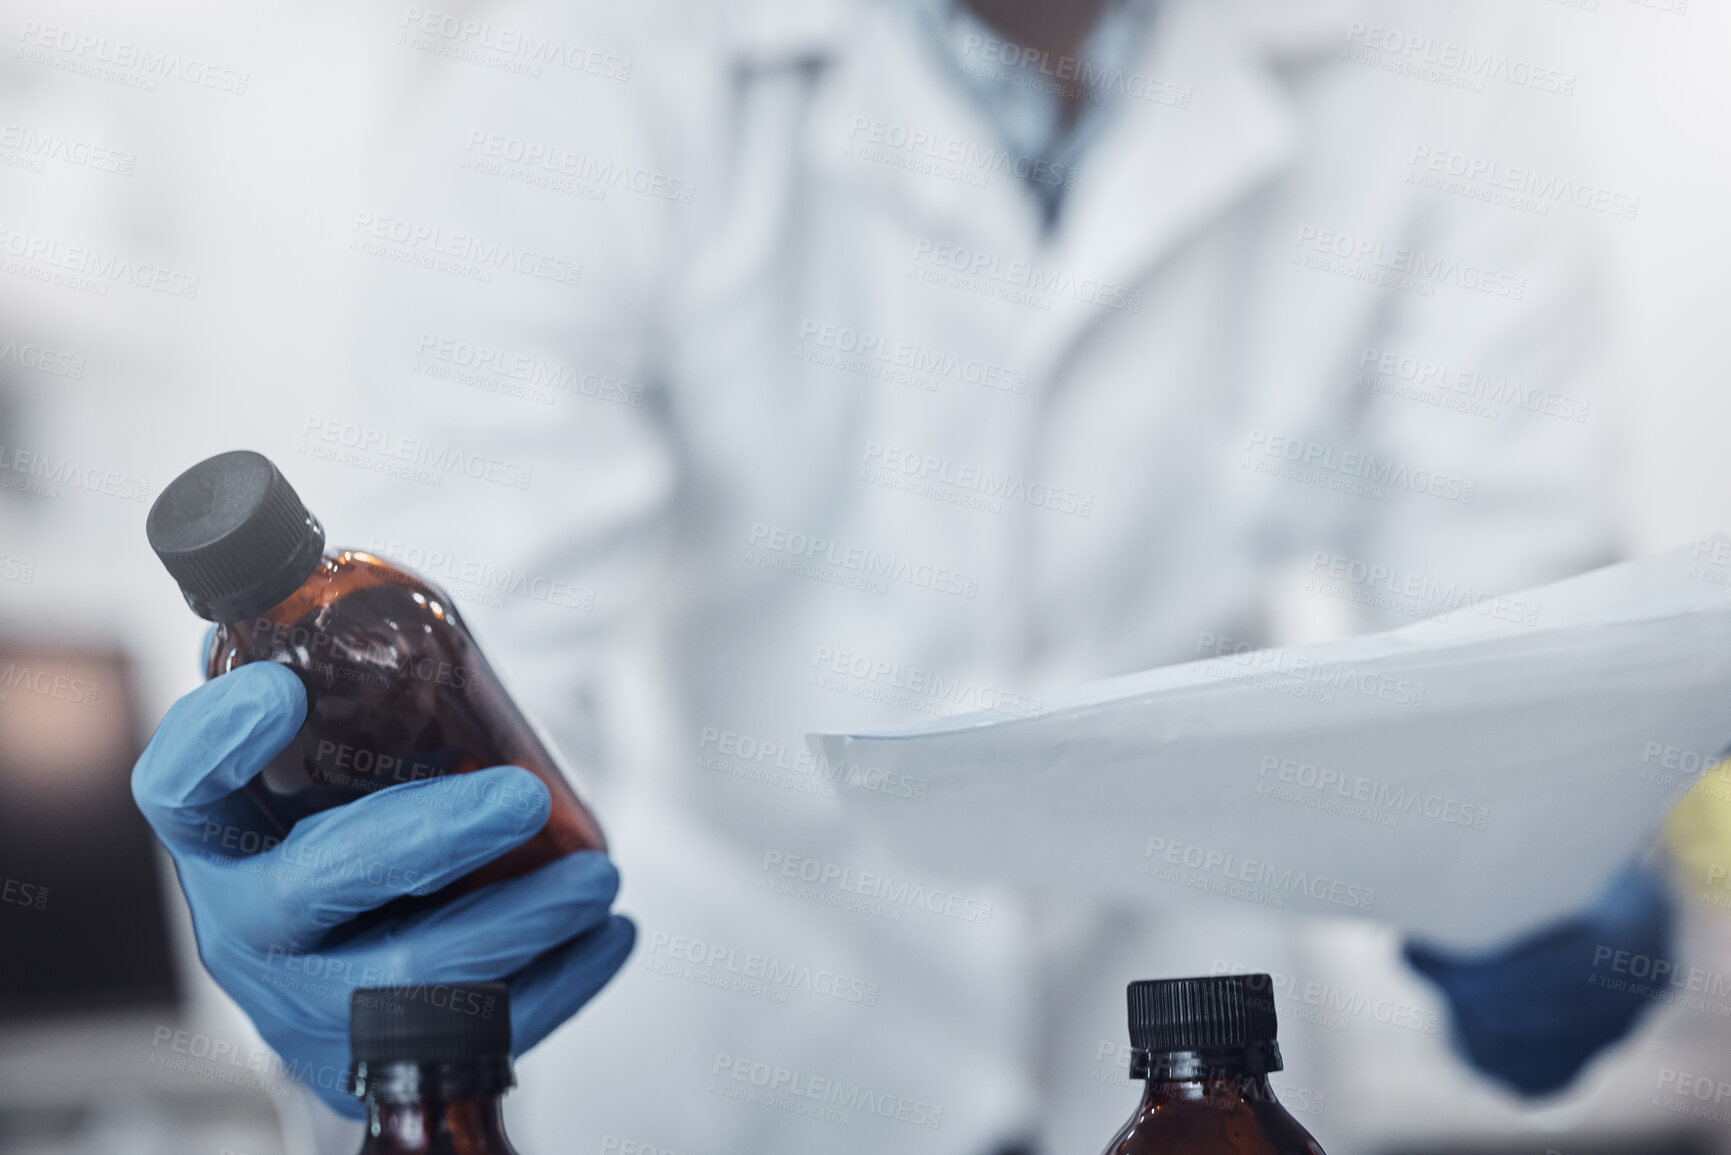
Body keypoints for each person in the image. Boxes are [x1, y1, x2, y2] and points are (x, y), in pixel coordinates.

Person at [132, 0, 1675, 1151]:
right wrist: (367, 934)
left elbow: (1503, 624)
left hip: (1183, 1042)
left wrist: (1560, 842)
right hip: (720, 1071)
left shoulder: (1432, 61)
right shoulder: (588, 65)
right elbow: (474, 652)